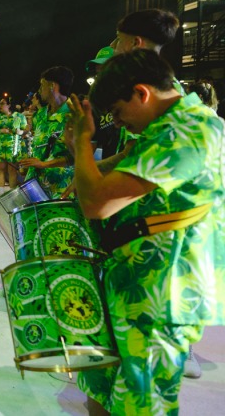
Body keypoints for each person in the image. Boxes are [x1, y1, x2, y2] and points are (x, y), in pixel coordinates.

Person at [66, 49, 224, 415]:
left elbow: (97, 202)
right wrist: (81, 153)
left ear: (142, 92)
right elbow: (107, 173)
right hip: (133, 281)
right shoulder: (165, 128)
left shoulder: (190, 130)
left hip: (161, 293)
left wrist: (84, 142)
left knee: (140, 402)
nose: (119, 125)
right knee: (101, 387)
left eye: (119, 113)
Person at [18, 66, 75, 199]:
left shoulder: (74, 115)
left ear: (52, 86)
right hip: (34, 187)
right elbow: (38, 147)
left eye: (42, 85)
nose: (39, 90)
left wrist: (44, 164)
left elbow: (77, 156)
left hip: (59, 190)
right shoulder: (40, 115)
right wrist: (29, 165)